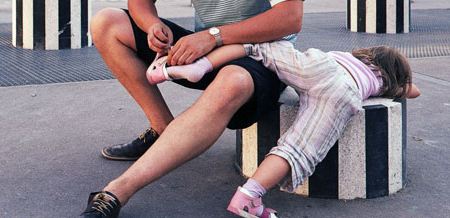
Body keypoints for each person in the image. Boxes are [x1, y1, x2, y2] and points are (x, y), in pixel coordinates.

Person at [81, 0, 305, 217]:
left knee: (232, 79)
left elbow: (289, 18)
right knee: (106, 22)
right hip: (202, 54)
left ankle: (118, 191)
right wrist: (151, 25)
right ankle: (164, 131)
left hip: (260, 59)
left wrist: (214, 36)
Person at [145, 42, 420, 218]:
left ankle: (199, 67)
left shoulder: (347, 56)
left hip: (317, 64)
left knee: (255, 48)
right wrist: (398, 81)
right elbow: (414, 91)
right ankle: (249, 197)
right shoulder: (383, 79)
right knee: (296, 148)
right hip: (342, 92)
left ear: (367, 53)